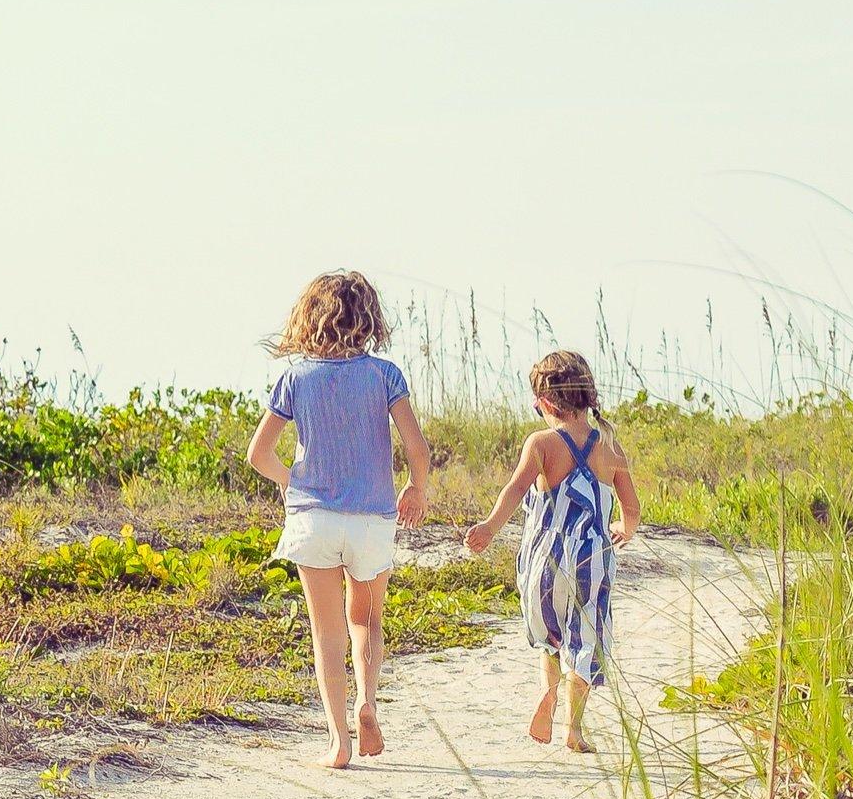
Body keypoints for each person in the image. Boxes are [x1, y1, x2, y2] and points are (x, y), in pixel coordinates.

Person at [246, 270, 430, 769]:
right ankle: (367, 701)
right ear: (369, 318)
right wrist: (417, 486)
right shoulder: (384, 374)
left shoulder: (295, 377)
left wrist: (293, 481)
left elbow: (258, 454)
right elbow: (416, 445)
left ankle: (338, 741)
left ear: (310, 316)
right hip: (372, 519)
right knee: (366, 618)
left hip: (314, 521)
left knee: (325, 632)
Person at [465, 350, 639, 754]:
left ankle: (548, 691)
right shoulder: (610, 446)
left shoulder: (541, 443)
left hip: (544, 560)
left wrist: (490, 528)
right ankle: (573, 727)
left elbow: (515, 490)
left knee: (549, 638)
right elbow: (631, 509)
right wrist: (622, 529)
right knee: (586, 639)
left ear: (545, 404)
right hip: (591, 561)